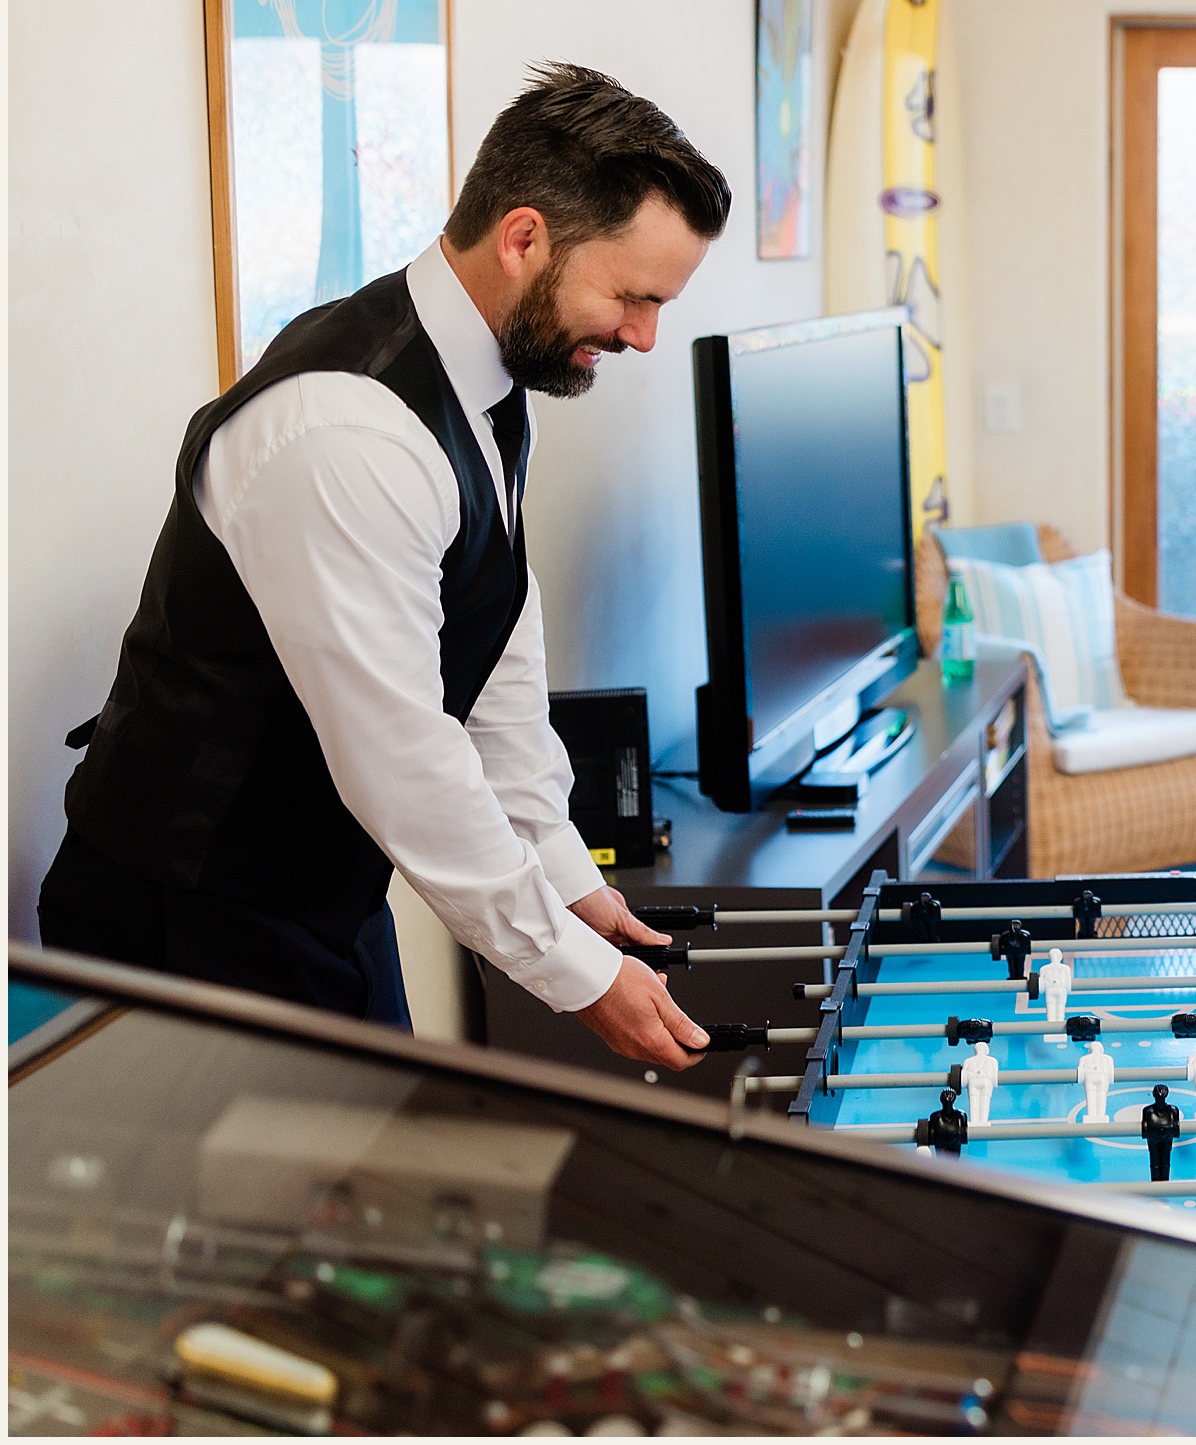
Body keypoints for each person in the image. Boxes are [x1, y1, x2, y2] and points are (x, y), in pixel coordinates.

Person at [40, 64, 731, 1070]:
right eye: (631, 295)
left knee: (362, 1193)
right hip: (188, 921)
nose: (643, 334)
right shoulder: (349, 431)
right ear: (524, 237)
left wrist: (569, 876)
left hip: (322, 895)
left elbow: (495, 653)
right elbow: (404, 757)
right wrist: (577, 979)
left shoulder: (487, 375)